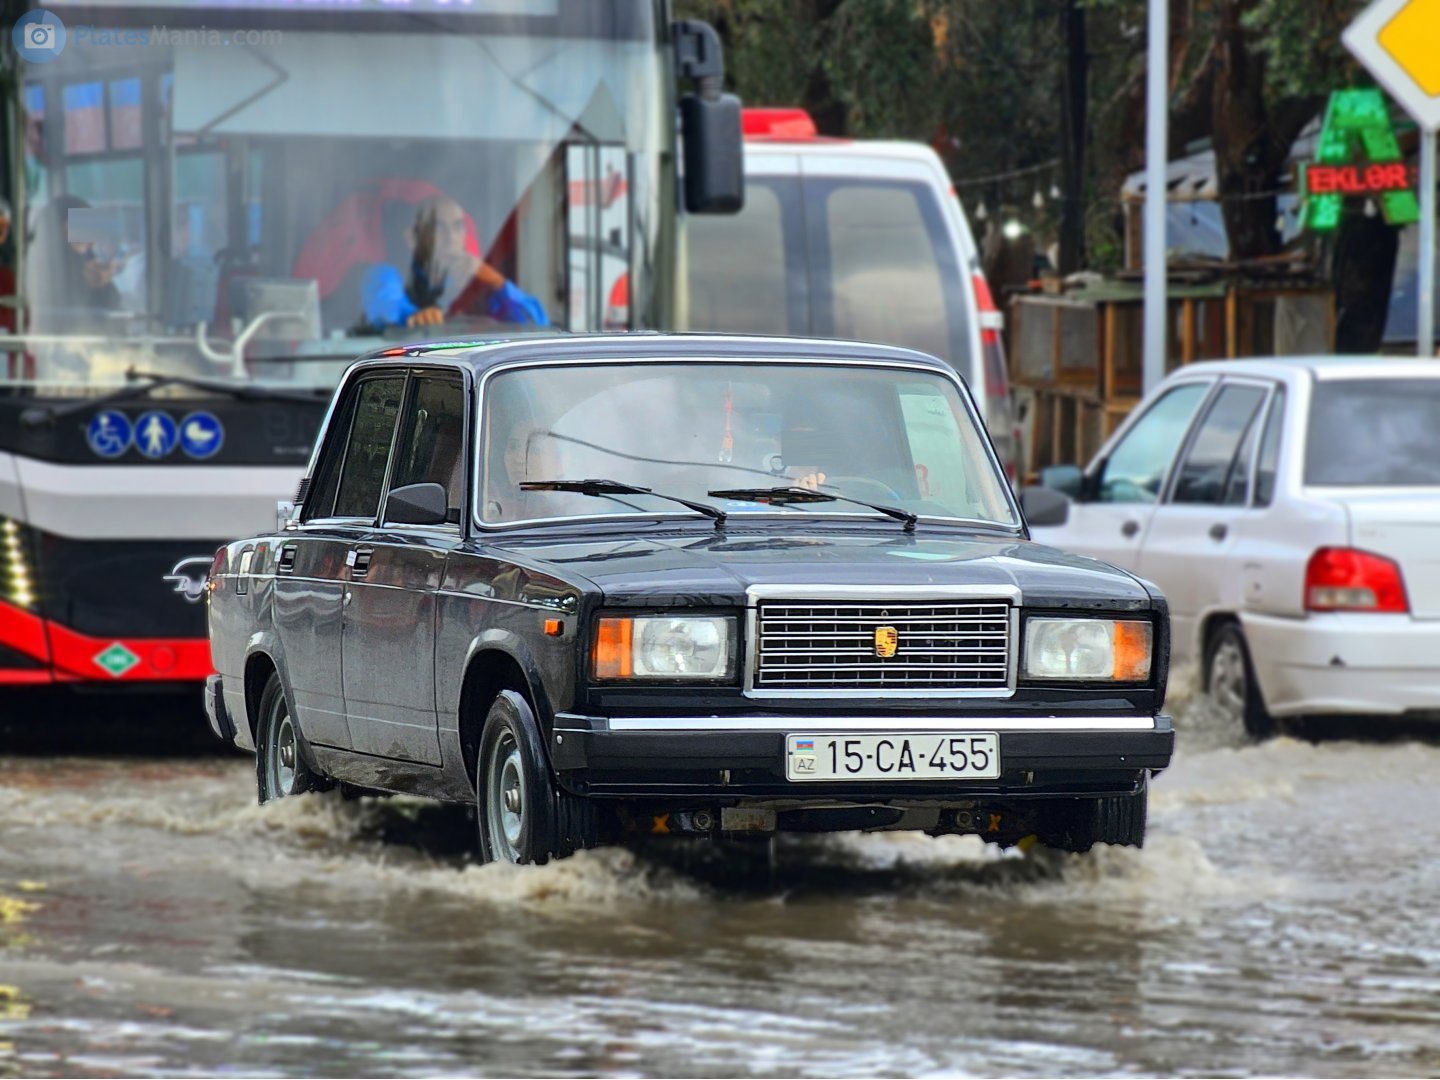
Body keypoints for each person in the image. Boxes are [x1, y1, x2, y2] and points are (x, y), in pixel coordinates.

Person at [359, 195, 548, 332]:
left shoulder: (477, 284)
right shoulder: (385, 275)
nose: (451, 238)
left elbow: (537, 326)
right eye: (439, 228)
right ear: (413, 238)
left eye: (458, 227)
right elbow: (387, 311)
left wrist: (497, 282)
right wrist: (414, 316)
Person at [27, 194, 124, 331]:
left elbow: (113, 314)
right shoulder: (39, 264)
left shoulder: (89, 260)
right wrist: (85, 282)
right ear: (63, 228)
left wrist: (103, 285)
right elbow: (48, 309)